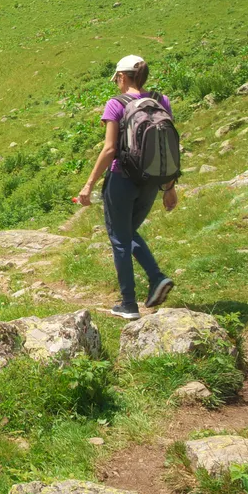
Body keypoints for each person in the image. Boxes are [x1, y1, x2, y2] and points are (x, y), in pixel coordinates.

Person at [72, 53, 177, 319]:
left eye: (116, 78)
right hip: (151, 180)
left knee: (120, 239)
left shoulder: (116, 104)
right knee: (128, 232)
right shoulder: (160, 100)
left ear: (121, 76)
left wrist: (88, 184)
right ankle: (156, 279)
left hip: (122, 179)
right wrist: (169, 187)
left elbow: (109, 149)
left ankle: (129, 303)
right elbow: (166, 148)